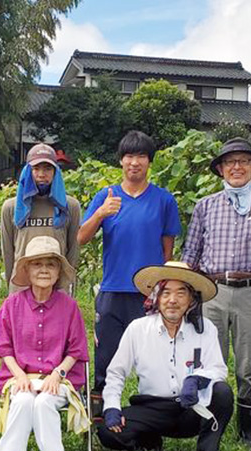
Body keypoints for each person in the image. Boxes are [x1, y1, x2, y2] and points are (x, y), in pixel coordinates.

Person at [181, 137, 251, 447]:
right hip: (212, 291)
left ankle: (248, 433)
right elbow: (191, 254)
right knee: (208, 360)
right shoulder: (206, 205)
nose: (237, 167)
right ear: (221, 169)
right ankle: (210, 424)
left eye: (244, 161)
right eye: (230, 162)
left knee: (249, 364)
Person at [77, 130, 182, 401]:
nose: (135, 162)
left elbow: (167, 250)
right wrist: (100, 213)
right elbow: (80, 238)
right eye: (129, 156)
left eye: (141, 156)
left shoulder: (163, 200)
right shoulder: (106, 196)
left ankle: (151, 410)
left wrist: (163, 289)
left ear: (150, 161)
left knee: (154, 358)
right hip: (113, 289)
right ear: (121, 161)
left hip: (148, 293)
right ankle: (100, 414)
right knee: (106, 357)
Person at [97, 262, 233, 451]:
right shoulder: (138, 329)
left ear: (191, 299)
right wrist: (112, 408)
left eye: (181, 293)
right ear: (157, 298)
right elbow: (116, 373)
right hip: (153, 408)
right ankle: (149, 442)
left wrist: (198, 380)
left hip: (191, 408)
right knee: (107, 432)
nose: (172, 300)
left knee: (222, 392)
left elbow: (218, 369)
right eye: (166, 292)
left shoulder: (206, 329)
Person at [0, 237, 89, 451]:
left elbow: (76, 349)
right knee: (22, 399)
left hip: (60, 377)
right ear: (28, 270)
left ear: (58, 272)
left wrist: (57, 373)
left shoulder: (70, 306)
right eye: (37, 264)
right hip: (20, 375)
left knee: (44, 402)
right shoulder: (11, 305)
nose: (44, 270)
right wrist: (19, 376)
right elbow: (3, 348)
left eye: (51, 265)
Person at [0, 143, 81, 294]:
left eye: (47, 168)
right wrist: (13, 286)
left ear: (56, 172)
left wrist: (65, 284)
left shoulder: (70, 206)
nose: (41, 174)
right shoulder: (11, 208)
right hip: (21, 288)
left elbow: (73, 251)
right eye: (36, 169)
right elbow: (8, 251)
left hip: (56, 288)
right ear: (27, 171)